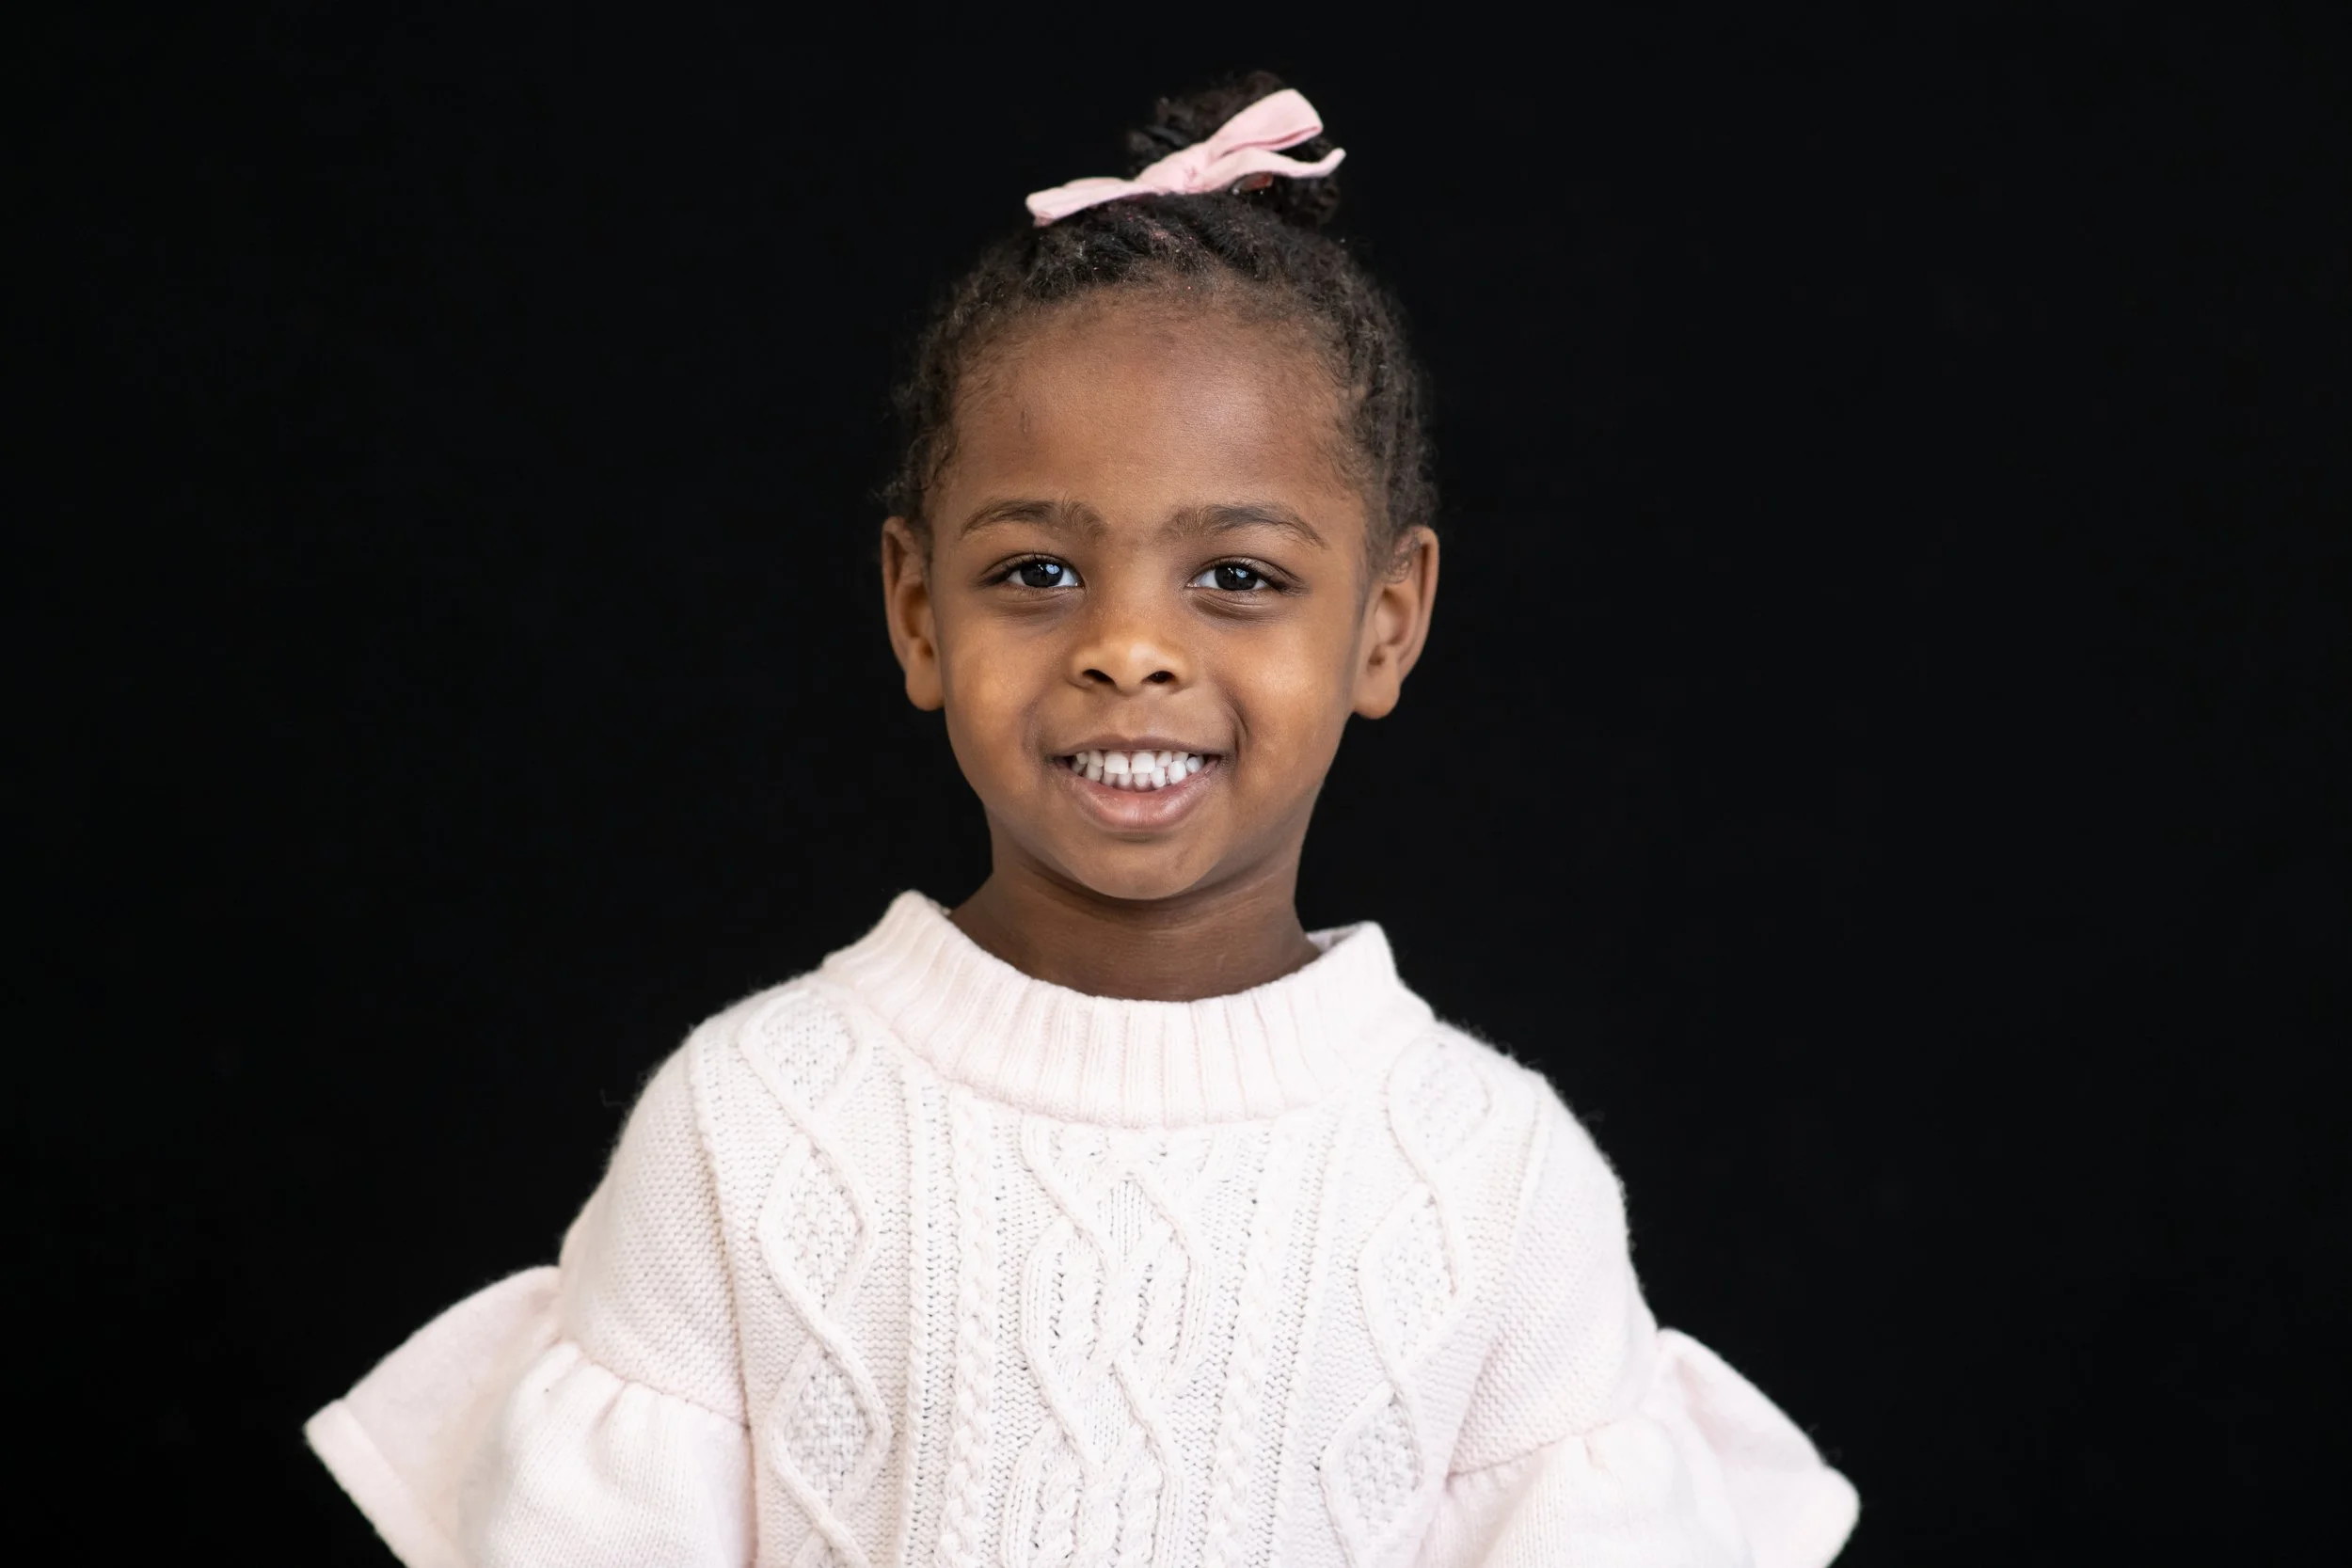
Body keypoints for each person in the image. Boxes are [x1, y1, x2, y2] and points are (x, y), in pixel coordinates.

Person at [306, 71, 1859, 1568]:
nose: (1129, 646)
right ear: (918, 610)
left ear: (1386, 623)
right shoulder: (747, 1126)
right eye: (1038, 572)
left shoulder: (1496, 1181)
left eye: (1237, 576)